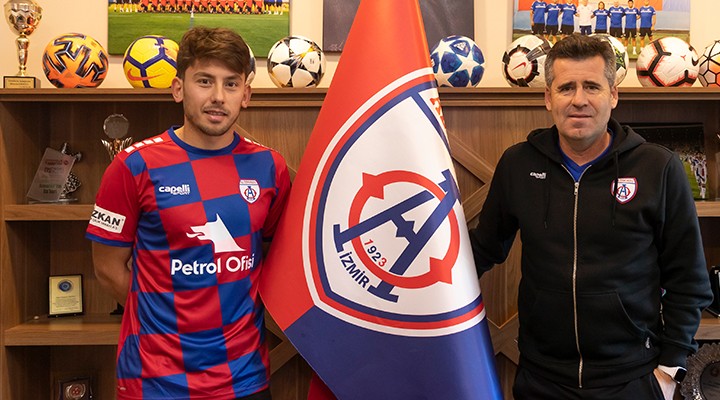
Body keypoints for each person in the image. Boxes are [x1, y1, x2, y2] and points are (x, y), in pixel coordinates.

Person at [469, 35, 712, 399]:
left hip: (632, 378)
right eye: (566, 87)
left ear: (613, 95)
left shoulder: (658, 167)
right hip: (541, 377)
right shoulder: (518, 164)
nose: (579, 99)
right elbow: (481, 250)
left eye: (592, 87)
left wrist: (669, 372)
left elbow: (689, 278)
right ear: (548, 97)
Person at [87, 26, 290, 400]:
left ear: (246, 95)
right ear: (178, 88)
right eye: (204, 81)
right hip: (156, 380)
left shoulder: (269, 167)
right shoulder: (133, 166)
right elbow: (107, 268)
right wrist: (165, 318)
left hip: (244, 377)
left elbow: (274, 254)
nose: (218, 97)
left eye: (231, 84)